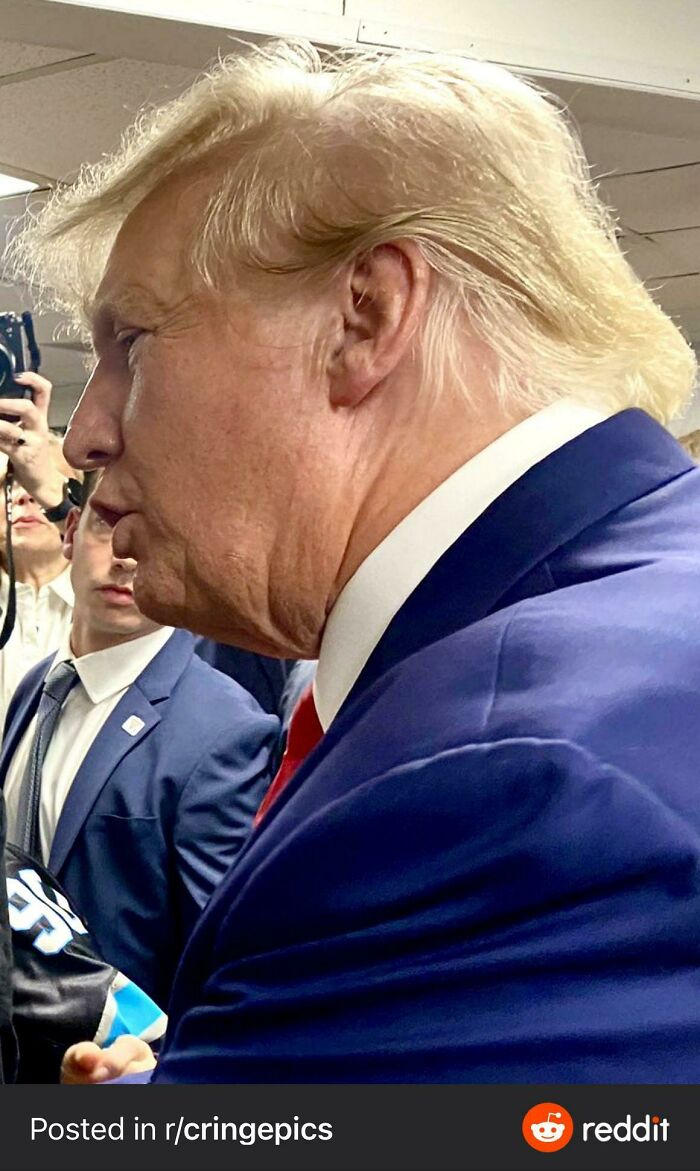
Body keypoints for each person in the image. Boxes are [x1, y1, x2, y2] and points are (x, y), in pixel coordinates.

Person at [12, 42, 700, 1084]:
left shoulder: (494, 775)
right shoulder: (629, 608)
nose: (87, 433)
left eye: (134, 345)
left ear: (364, 318)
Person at [0, 471, 279, 1008]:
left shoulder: (224, 731)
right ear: (72, 529)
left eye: (163, 534)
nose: (127, 557)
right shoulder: (39, 685)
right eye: (111, 523)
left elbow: (227, 961)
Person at [0, 373, 77, 727]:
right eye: (9, 483)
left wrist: (53, 495)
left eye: (35, 481)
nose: (24, 495)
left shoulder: (115, 597)